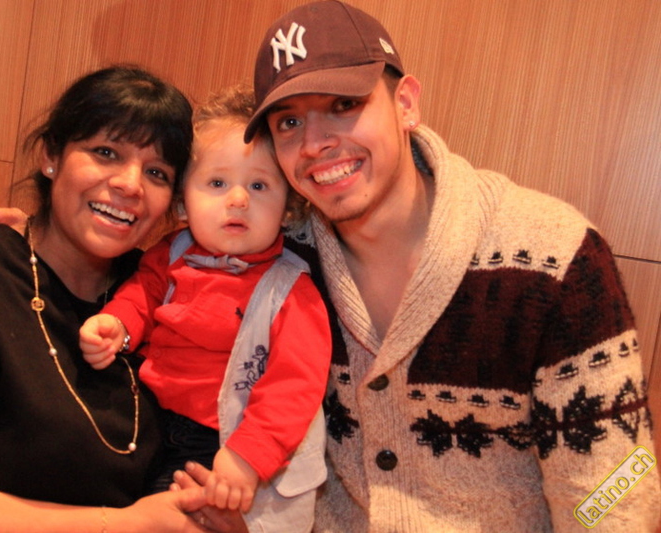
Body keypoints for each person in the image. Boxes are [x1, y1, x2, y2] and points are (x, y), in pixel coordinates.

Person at [240, 1, 661, 531]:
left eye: (345, 104)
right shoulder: (284, 262)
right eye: (289, 122)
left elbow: (621, 481)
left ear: (405, 104)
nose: (314, 143)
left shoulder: (552, 258)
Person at [0, 65, 223, 532]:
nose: (130, 184)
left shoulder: (162, 297)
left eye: (157, 172)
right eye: (106, 152)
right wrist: (126, 526)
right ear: (51, 156)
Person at [79, 86, 330, 533]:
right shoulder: (170, 253)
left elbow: (295, 386)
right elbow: (142, 293)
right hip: (143, 419)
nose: (238, 200)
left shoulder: (291, 290)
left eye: (259, 186)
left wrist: (247, 457)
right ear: (181, 201)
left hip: (221, 446)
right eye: (217, 183)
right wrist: (118, 323)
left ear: (288, 207)